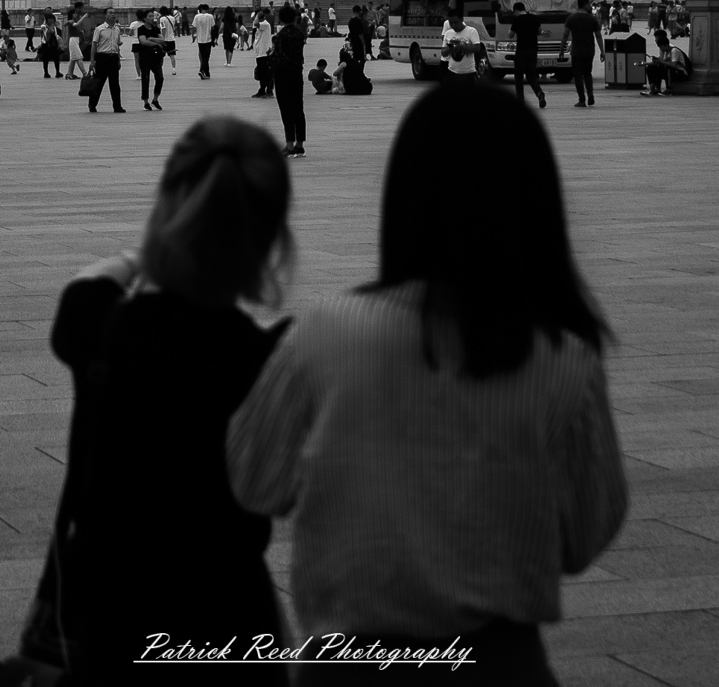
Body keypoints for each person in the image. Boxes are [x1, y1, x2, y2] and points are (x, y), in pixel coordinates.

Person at [226, 81, 627, 683]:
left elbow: (254, 482)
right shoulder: (564, 360)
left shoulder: (325, 336)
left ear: (405, 195)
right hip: (501, 665)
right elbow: (586, 534)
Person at [35, 118, 293, 683]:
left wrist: (148, 253)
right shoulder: (270, 356)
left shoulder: (97, 324)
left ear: (169, 206)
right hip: (230, 614)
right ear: (271, 233)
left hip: (114, 616)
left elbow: (91, 281)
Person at [271, 4, 308, 156]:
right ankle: (300, 144)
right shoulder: (299, 35)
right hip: (297, 74)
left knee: (286, 110)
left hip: (283, 76)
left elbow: (279, 57)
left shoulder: (281, 36)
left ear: (281, 19)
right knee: (298, 109)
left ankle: (290, 145)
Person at [507, 0, 547, 109]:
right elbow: (539, 32)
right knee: (531, 75)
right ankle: (539, 93)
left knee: (518, 77)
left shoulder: (517, 20)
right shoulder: (534, 18)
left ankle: (520, 100)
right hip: (533, 50)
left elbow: (510, 35)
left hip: (521, 50)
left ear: (516, 10)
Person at [88, 10, 125, 113]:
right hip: (102, 58)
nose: (113, 14)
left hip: (113, 58)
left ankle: (117, 106)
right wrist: (92, 61)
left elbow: (117, 45)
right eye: (110, 13)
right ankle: (92, 105)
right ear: (105, 15)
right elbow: (94, 45)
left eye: (114, 13)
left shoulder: (117, 29)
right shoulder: (99, 29)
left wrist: (118, 59)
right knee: (99, 83)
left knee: (115, 84)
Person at [134, 9, 167, 111]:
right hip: (145, 57)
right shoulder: (141, 29)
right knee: (145, 79)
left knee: (160, 78)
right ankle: (146, 102)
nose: (152, 18)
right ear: (144, 18)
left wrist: (151, 39)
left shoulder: (155, 28)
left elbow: (163, 39)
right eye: (150, 16)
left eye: (153, 16)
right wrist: (157, 44)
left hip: (156, 58)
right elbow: (143, 42)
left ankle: (155, 99)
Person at [439, 6, 485, 80]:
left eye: (455, 22)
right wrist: (451, 48)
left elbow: (477, 48)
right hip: (452, 72)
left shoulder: (471, 31)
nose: (453, 25)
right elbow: (443, 53)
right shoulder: (448, 33)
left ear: (461, 19)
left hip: (469, 73)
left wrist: (462, 47)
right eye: (450, 23)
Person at [250, 10, 276, 99]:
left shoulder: (265, 24)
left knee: (265, 73)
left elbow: (256, 23)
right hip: (260, 53)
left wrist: (257, 15)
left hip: (264, 53)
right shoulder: (262, 25)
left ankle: (268, 90)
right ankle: (262, 90)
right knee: (262, 73)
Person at [192, 3, 217, 80]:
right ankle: (202, 70)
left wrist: (193, 36)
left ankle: (207, 73)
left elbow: (194, 27)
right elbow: (213, 28)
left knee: (203, 56)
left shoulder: (196, 16)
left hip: (200, 39)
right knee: (206, 56)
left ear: (201, 9)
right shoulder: (210, 16)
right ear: (207, 9)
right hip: (208, 39)